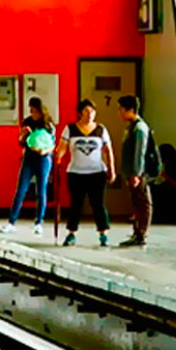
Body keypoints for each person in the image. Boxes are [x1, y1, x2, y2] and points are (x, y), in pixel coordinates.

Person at [55, 99, 115, 247]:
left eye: (92, 112)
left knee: (98, 204)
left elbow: (108, 151)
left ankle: (103, 234)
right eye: (86, 112)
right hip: (76, 173)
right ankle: (71, 233)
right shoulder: (70, 129)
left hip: (97, 173)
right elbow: (62, 147)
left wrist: (112, 169)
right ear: (80, 113)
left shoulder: (101, 129)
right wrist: (58, 157)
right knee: (76, 204)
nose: (90, 115)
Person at [1, 97, 55, 236]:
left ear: (41, 110)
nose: (32, 113)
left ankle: (39, 222)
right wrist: (22, 135)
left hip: (44, 159)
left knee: (41, 190)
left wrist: (45, 151)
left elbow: (51, 144)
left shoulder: (48, 124)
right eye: (31, 110)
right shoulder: (27, 121)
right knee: (21, 190)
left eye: (35, 110)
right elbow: (21, 142)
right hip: (29, 158)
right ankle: (11, 222)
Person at [118, 95, 157, 248]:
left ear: (131, 110)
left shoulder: (140, 128)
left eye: (121, 109)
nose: (119, 112)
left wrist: (136, 173)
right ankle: (137, 232)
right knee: (137, 202)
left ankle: (141, 233)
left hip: (138, 174)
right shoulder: (131, 126)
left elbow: (139, 152)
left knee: (143, 202)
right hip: (132, 173)